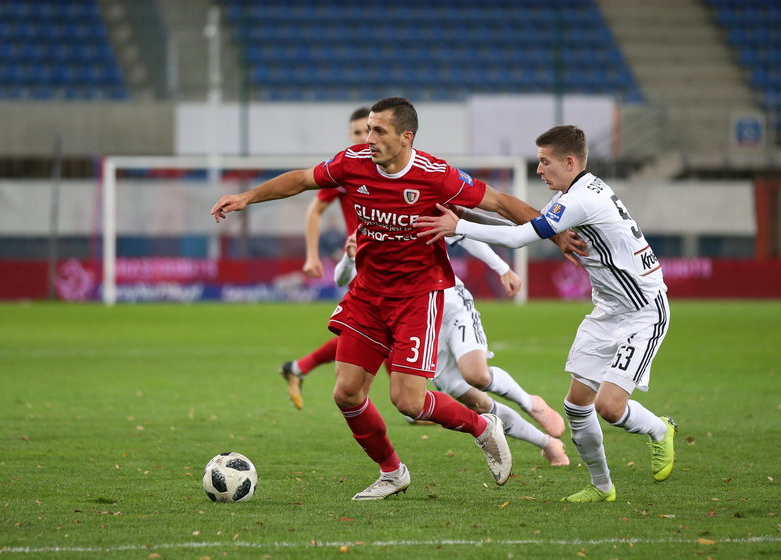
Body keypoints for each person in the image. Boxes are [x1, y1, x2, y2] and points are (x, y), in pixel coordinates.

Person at [211, 97, 586, 501]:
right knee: (346, 393)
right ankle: (392, 472)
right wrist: (248, 196)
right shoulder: (352, 162)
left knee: (408, 401)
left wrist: (554, 229)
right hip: (368, 293)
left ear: (406, 137)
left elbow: (499, 203)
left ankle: (483, 427)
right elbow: (302, 179)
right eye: (368, 129)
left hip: (417, 297)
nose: (368, 138)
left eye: (378, 131)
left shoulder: (435, 175)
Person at [415, 124, 676, 503]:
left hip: (643, 311)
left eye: (544, 161)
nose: (539, 170)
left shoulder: (581, 199)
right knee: (576, 406)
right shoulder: (578, 192)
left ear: (569, 162)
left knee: (609, 407)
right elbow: (522, 223)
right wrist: (471, 219)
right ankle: (601, 487)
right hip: (606, 310)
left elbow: (520, 237)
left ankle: (659, 430)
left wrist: (460, 225)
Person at [334, 231, 570, 466]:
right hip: (418, 324)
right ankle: (547, 443)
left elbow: (465, 233)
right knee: (479, 405)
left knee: (476, 374)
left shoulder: (413, 210)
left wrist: (502, 268)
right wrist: (349, 256)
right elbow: (341, 279)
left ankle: (530, 402)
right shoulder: (370, 226)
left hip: (450, 306)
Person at [280, 107, 370, 410]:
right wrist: (311, 255)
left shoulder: (391, 167)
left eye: (367, 131)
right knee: (374, 333)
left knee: (370, 334)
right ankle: (412, 404)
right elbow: (314, 210)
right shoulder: (346, 169)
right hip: (361, 261)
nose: (362, 138)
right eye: (356, 133)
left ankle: (299, 367)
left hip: (387, 259)